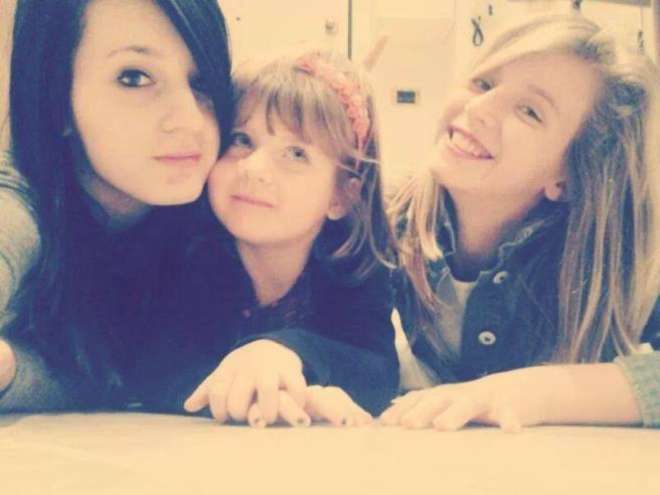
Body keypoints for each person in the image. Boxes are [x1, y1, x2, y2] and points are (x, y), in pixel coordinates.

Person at [381, 14, 660, 430]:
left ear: (570, 176)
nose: (479, 109)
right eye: (484, 83)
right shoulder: (380, 219)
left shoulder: (613, 263)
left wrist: (536, 393)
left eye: (529, 111)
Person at [0, 0, 233, 411]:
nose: (189, 119)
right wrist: (13, 373)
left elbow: (118, 374)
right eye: (134, 77)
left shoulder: (225, 204)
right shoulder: (19, 206)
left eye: (201, 82)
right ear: (57, 100)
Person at [150, 50, 399, 426]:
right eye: (242, 140)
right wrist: (265, 393)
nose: (253, 168)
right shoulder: (186, 248)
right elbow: (157, 368)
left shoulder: (353, 265)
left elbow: (376, 372)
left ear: (341, 196)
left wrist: (287, 353)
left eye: (296, 154)